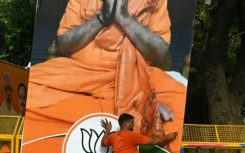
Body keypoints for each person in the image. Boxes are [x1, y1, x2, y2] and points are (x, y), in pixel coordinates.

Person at [22, 0, 187, 153]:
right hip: (78, 71)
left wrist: (124, 18)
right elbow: (63, 44)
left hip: (138, 74)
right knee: (28, 89)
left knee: (178, 104)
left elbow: (161, 53)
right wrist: (101, 18)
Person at [101, 113, 178, 153]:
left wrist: (108, 130)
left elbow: (103, 144)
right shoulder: (132, 135)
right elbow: (153, 141)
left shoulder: (113, 136)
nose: (133, 125)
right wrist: (167, 137)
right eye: (132, 123)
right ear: (126, 124)